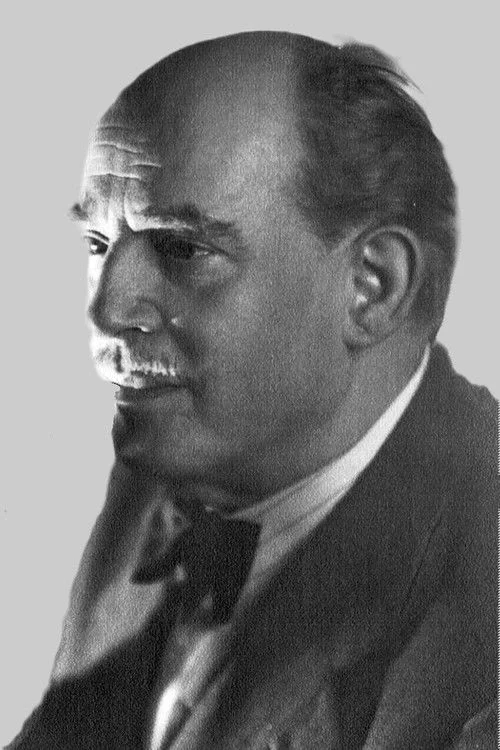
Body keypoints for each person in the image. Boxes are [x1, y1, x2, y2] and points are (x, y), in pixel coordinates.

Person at [7, 31, 496, 750]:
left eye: (183, 248)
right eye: (98, 244)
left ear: (372, 287)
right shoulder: (168, 466)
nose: (107, 310)